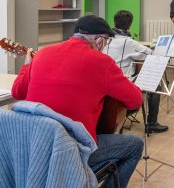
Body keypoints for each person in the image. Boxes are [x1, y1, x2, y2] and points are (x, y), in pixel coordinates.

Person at [11, 15, 144, 188]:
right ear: (99, 41)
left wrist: (27, 64)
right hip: (71, 149)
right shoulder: (102, 62)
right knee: (135, 145)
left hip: (34, 146)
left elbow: (17, 92)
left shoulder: (42, 53)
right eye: (107, 42)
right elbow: (135, 100)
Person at [104, 10, 168, 133]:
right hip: (121, 83)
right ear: (130, 25)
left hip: (106, 81)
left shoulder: (106, 39)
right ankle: (152, 123)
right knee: (156, 85)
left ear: (115, 22)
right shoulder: (128, 42)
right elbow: (150, 54)